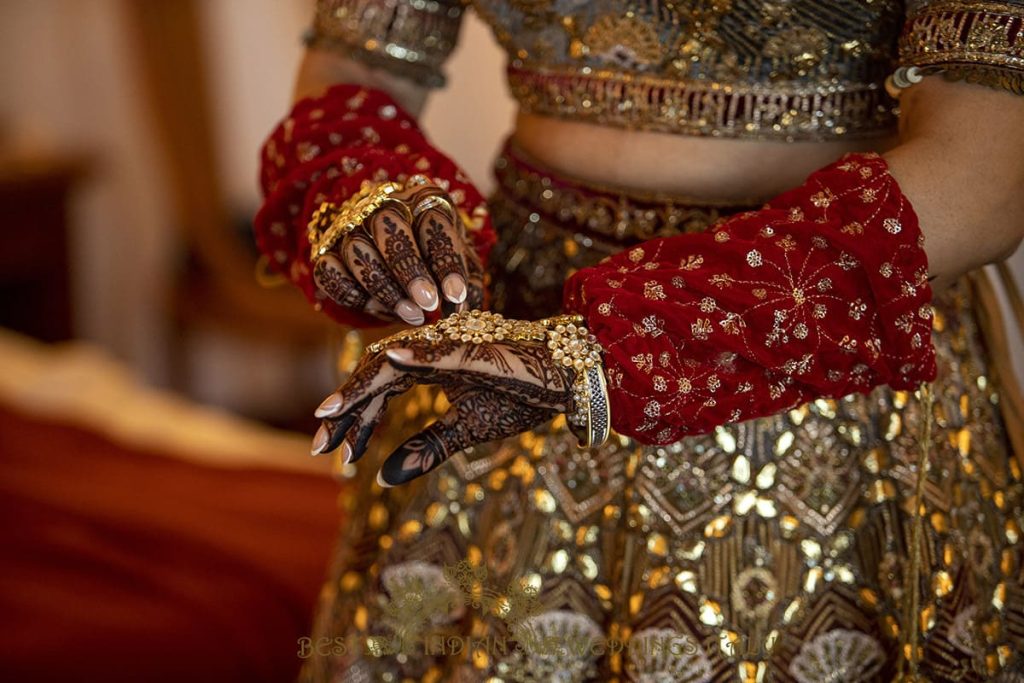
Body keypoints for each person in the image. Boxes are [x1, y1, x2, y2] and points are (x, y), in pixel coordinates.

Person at [256, 1, 1024, 680]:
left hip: (813, 373)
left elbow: (988, 173)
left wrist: (603, 350)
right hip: (504, 352)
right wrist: (373, 205)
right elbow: (358, 68)